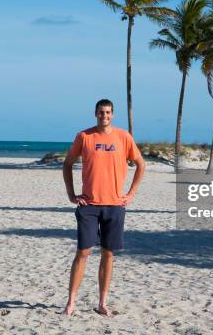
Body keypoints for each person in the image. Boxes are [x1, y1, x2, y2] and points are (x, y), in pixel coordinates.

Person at [62, 99, 146, 316]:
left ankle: (102, 302)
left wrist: (131, 194)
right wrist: (71, 195)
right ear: (95, 114)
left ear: (113, 114)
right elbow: (68, 163)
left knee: (108, 254)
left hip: (115, 206)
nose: (104, 116)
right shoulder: (84, 136)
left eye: (108, 112)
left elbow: (140, 164)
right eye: (101, 112)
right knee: (83, 252)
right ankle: (70, 302)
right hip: (89, 205)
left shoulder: (123, 137)